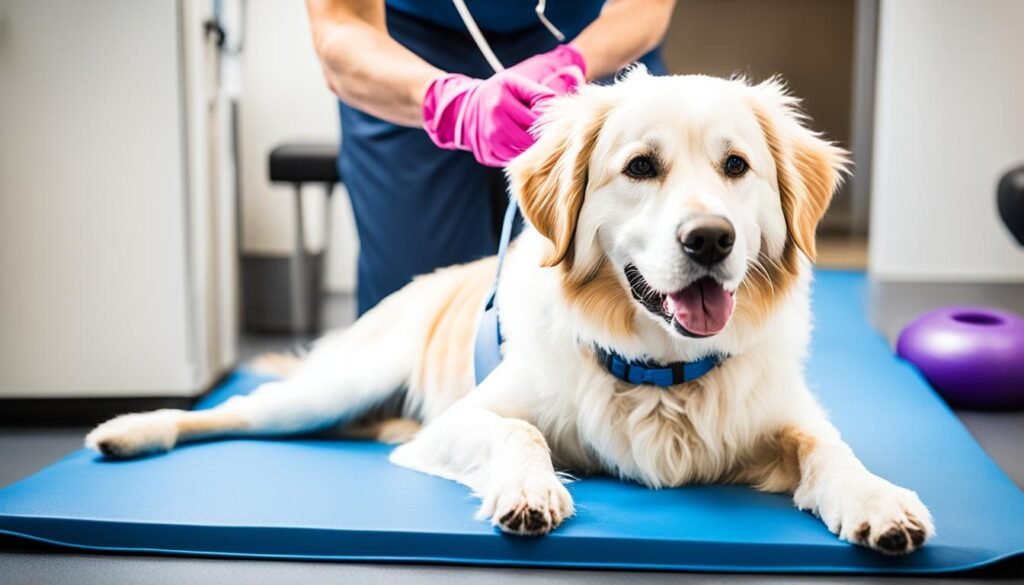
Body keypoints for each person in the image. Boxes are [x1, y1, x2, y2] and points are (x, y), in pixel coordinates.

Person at [306, 0, 676, 314]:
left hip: (588, 30)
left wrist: (572, 61)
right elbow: (341, 25)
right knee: (414, 309)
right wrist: (449, 106)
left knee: (619, 282)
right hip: (404, 47)